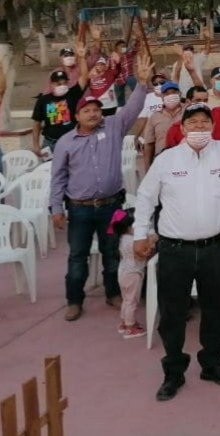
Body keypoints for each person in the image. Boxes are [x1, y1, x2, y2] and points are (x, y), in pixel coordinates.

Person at [134, 99, 220, 401]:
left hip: (214, 248)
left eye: (205, 122)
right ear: (181, 128)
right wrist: (141, 234)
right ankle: (173, 372)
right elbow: (145, 197)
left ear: (213, 126)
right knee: (172, 313)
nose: (199, 127)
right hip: (174, 249)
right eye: (192, 122)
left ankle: (213, 363)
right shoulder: (167, 159)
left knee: (214, 309)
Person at [50, 55, 153, 322]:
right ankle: (74, 300)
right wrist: (56, 208)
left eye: (96, 109)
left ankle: (112, 293)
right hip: (80, 209)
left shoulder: (114, 127)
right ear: (77, 116)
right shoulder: (66, 142)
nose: (94, 113)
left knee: (111, 251)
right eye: (87, 111)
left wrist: (142, 84)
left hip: (110, 206)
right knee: (77, 256)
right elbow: (58, 177)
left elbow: (131, 108)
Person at [31, 70, 86, 156]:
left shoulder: (73, 94)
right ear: (52, 84)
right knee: (49, 168)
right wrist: (36, 145)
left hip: (71, 140)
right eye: (59, 84)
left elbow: (84, 77)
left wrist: (82, 58)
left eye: (64, 83)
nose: (62, 86)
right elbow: (36, 123)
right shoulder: (43, 100)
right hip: (50, 142)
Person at [113, 210, 146, 340]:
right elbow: (142, 254)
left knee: (126, 299)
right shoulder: (133, 241)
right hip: (133, 273)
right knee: (132, 300)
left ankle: (124, 322)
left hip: (123, 272)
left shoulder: (122, 239)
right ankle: (130, 327)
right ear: (129, 227)